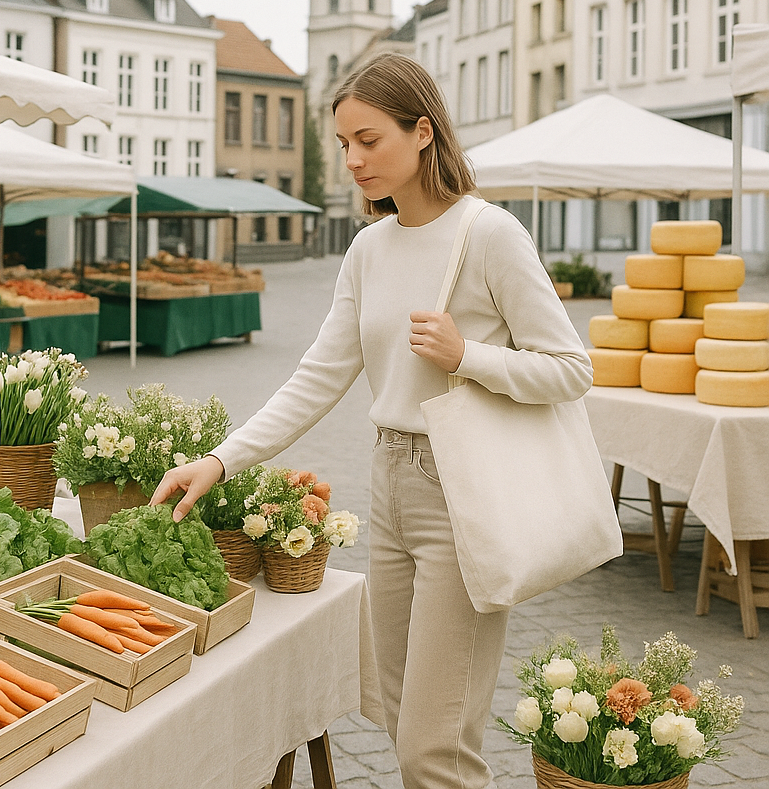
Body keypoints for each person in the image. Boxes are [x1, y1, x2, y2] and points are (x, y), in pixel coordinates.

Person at [150, 52, 592, 789]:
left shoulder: (490, 234)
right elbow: (317, 377)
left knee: (433, 749)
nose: (352, 160)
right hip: (389, 486)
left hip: (463, 492)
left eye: (369, 139)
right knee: (394, 712)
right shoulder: (367, 249)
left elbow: (572, 369)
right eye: (344, 143)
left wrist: (469, 356)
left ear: (423, 132)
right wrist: (221, 459)